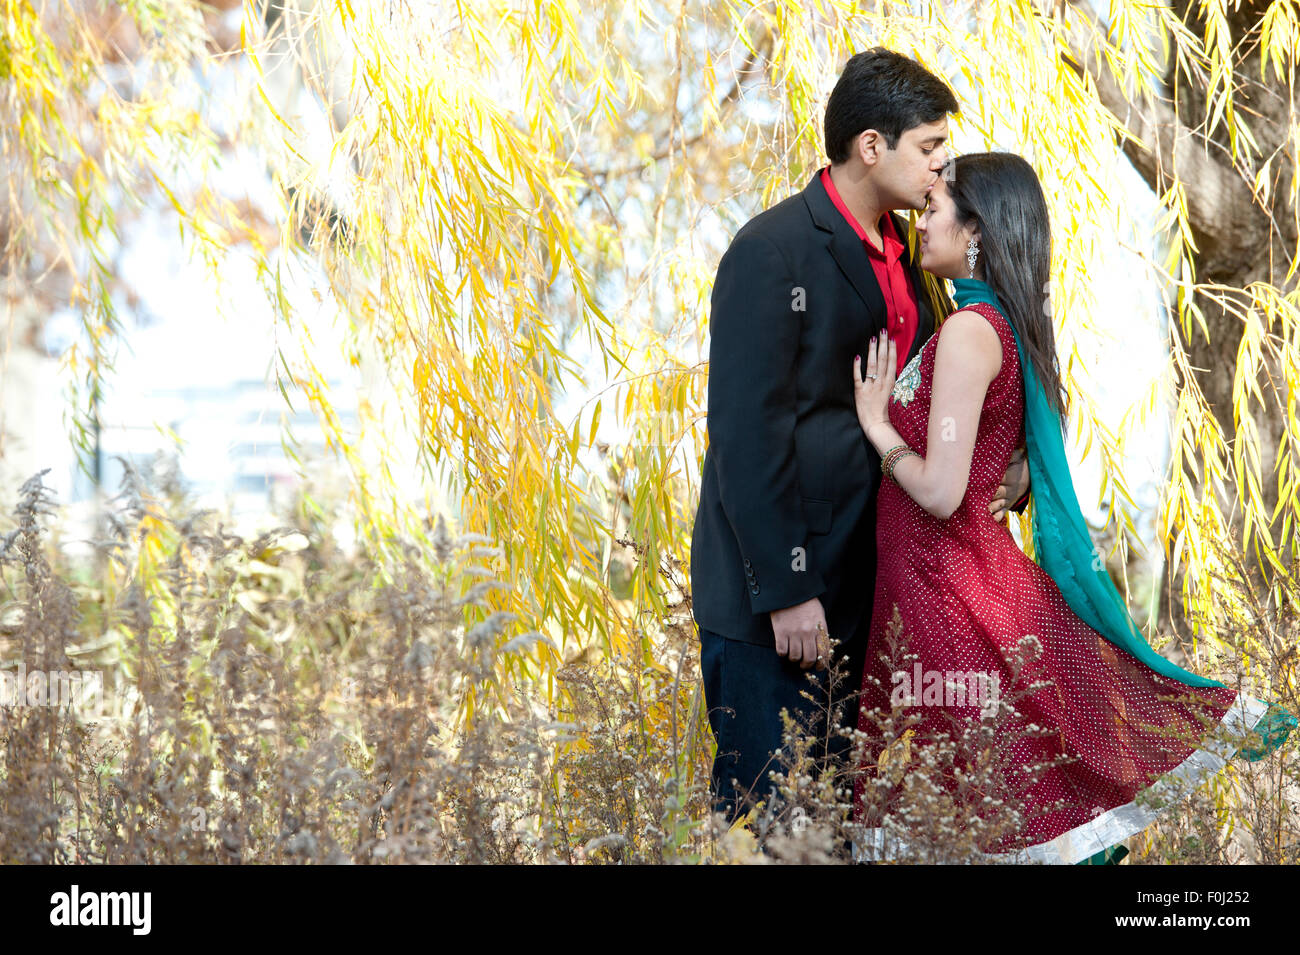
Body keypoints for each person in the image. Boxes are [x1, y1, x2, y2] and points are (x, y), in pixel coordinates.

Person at [850, 151, 1297, 864]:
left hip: (946, 595)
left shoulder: (970, 332)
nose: (919, 220)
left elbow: (938, 490)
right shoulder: (982, 322)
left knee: (971, 814)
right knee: (968, 809)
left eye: (934, 207)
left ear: (978, 232)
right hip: (935, 591)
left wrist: (876, 424)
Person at [689, 49, 1032, 830]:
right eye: (928, 146)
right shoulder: (773, 252)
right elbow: (748, 435)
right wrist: (787, 589)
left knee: (838, 830)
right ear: (870, 146)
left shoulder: (913, 263)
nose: (943, 165)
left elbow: (941, 401)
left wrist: (1006, 464)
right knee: (769, 829)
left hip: (868, 598)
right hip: (774, 607)